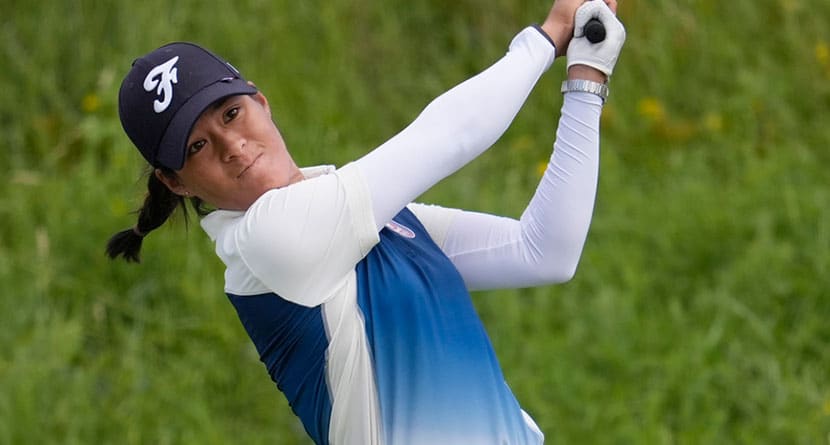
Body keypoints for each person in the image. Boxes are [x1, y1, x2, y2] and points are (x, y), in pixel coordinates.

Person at [107, 0, 625, 443]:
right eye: (198, 147)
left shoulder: (373, 219)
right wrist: (548, 36)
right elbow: (449, 136)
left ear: (260, 103)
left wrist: (587, 77)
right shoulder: (266, 242)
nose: (232, 146)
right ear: (176, 183)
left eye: (229, 114)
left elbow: (544, 252)